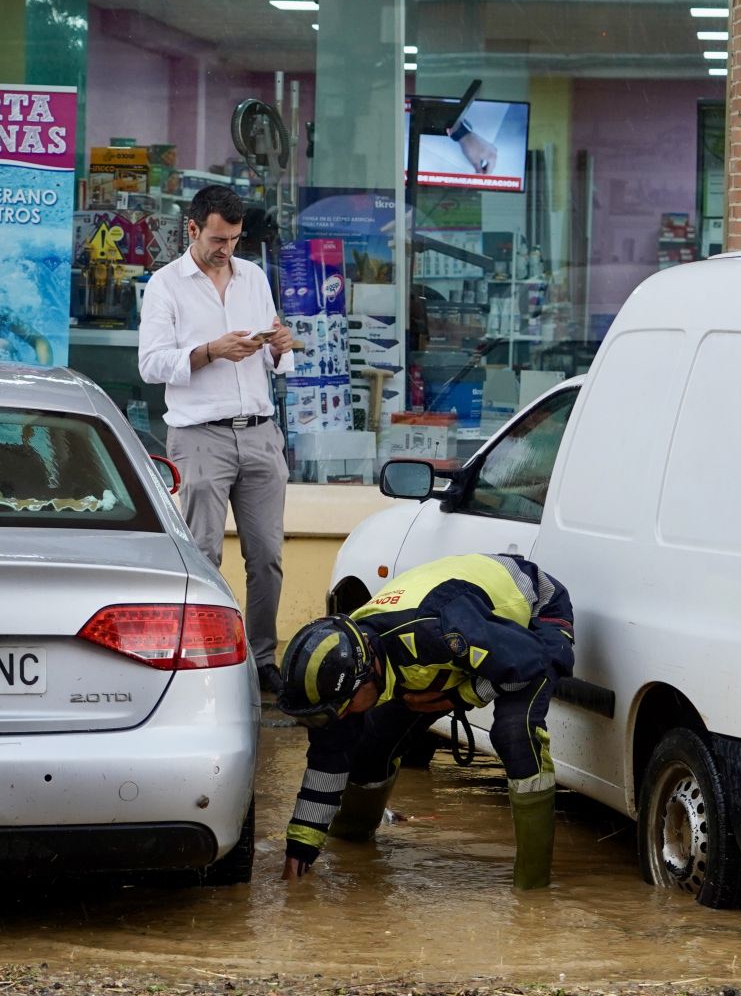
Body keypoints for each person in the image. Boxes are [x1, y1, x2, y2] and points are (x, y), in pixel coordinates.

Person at [275, 552, 575, 890]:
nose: (338, 718)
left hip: (534, 616)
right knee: (369, 746)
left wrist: (461, 696)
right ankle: (353, 842)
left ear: (366, 676)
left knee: (515, 733)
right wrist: (299, 854)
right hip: (457, 632)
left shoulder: (441, 632)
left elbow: (533, 661)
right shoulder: (349, 667)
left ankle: (532, 892)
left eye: (339, 709)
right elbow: (327, 762)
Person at [137, 185, 296, 694]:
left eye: (233, 238)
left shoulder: (253, 278)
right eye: (216, 238)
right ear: (192, 229)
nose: (225, 248)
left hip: (259, 431)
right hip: (199, 435)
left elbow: (276, 358)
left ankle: (263, 658)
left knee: (267, 555)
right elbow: (151, 364)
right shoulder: (165, 285)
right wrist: (209, 351)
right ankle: (206, 661)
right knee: (204, 554)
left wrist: (279, 348)